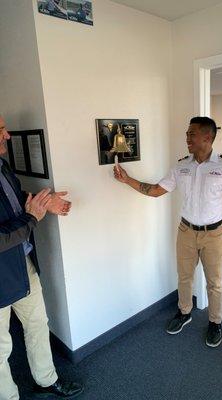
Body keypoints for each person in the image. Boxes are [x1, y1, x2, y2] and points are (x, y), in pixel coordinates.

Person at [114, 116, 222, 348]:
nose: (187, 138)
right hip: (186, 231)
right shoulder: (182, 166)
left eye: (192, 134)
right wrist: (127, 180)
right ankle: (184, 312)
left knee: (215, 282)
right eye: (187, 133)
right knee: (185, 277)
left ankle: (215, 322)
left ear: (207, 137)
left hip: (214, 235)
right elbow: (156, 191)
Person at [0, 116, 83, 399]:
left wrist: (43, 200)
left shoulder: (2, 166)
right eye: (0, 129)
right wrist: (33, 218)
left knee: (37, 323)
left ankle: (46, 380)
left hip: (21, 264)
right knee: (0, 348)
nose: (8, 135)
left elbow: (13, 200)